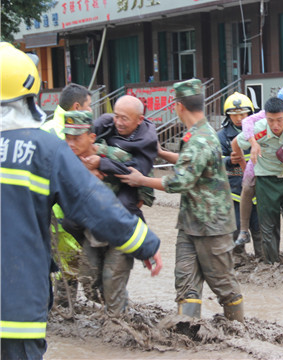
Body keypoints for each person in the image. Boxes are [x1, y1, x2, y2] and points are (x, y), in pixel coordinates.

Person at [0, 42, 162, 360]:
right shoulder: (45, 149)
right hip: (16, 305)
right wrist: (145, 243)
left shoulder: (102, 153)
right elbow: (92, 203)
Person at [118, 79, 244, 322]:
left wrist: (141, 180)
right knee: (185, 281)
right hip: (190, 223)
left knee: (223, 283)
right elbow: (191, 162)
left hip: (212, 226)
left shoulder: (200, 139)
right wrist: (162, 153)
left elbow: (180, 181)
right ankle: (188, 332)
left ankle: (239, 331)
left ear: (179, 106)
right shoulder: (199, 133)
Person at [75, 95, 157, 316]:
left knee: (113, 282)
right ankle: (120, 308)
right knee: (88, 282)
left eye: (125, 119)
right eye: (116, 116)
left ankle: (119, 322)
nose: (119, 122)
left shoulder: (145, 143)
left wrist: (102, 160)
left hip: (122, 226)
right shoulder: (103, 128)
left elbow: (137, 176)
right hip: (94, 222)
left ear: (139, 120)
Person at [235, 97, 283, 263]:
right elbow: (237, 142)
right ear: (265, 117)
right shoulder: (257, 130)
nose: (275, 125)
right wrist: (245, 159)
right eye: (270, 120)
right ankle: (272, 265)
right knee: (268, 228)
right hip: (266, 182)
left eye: (279, 120)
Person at [41, 83, 93, 306]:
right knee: (71, 268)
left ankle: (59, 308)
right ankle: (66, 308)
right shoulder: (75, 132)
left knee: (55, 266)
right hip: (66, 212)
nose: (91, 110)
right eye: (89, 106)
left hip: (44, 211)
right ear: (77, 106)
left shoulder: (44, 129)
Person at [218, 92, 262, 257]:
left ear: (250, 114)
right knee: (235, 230)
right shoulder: (221, 137)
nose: (239, 118)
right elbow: (212, 162)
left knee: (260, 229)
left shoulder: (260, 131)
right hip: (234, 192)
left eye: (243, 114)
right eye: (234, 115)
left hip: (259, 190)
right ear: (228, 116)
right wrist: (228, 160)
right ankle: (239, 261)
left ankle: (263, 260)